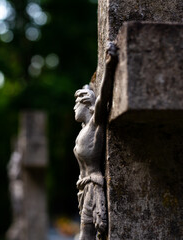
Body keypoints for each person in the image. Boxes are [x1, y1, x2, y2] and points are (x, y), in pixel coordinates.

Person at [73, 44, 117, 240]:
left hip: (92, 187)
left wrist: (109, 65)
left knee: (86, 236)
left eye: (77, 103)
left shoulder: (95, 124)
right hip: (83, 189)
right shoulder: (83, 131)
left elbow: (103, 98)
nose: (74, 108)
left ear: (87, 105)